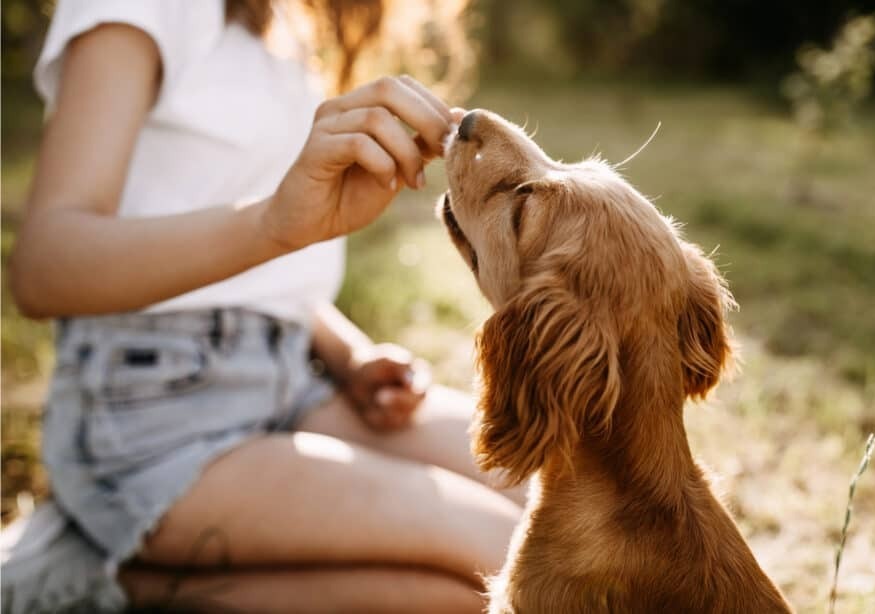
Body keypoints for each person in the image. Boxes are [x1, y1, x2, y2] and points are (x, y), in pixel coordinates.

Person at [0, 1, 522, 611]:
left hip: (292, 382)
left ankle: (109, 576)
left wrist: (348, 355)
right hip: (152, 415)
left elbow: (247, 279)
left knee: (569, 503)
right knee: (509, 562)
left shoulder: (284, 22)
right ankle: (90, 579)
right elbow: (44, 268)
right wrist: (276, 222)